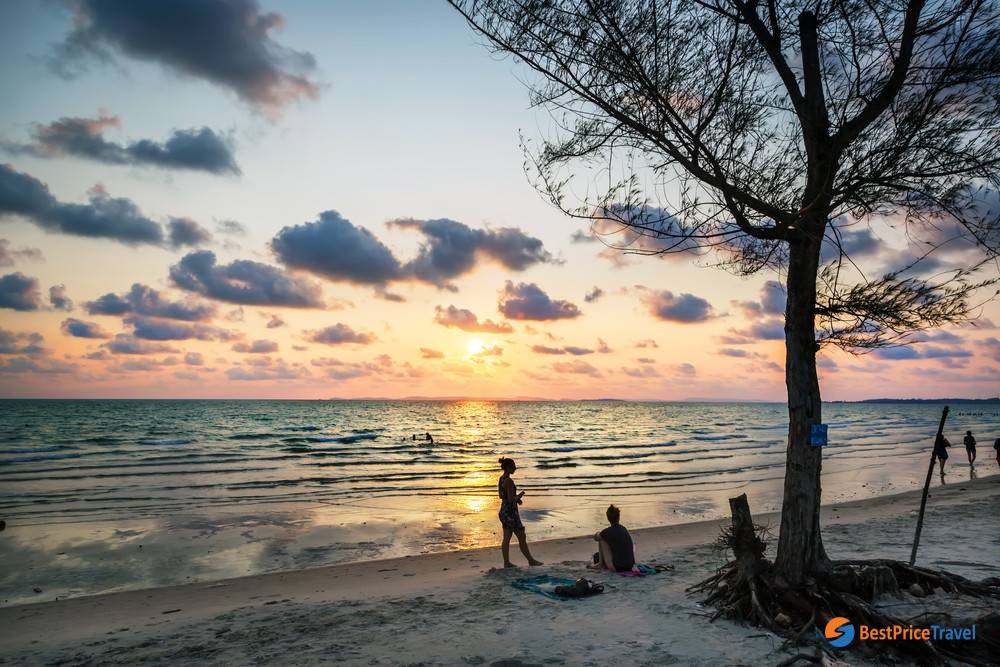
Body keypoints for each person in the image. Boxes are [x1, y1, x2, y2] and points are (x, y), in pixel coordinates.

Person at [497, 457, 542, 568]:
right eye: (513, 467)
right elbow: (511, 499)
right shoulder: (509, 481)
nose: (515, 469)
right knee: (521, 535)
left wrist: (516, 499)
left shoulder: (501, 479)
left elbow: (502, 496)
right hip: (511, 513)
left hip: (504, 512)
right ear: (507, 467)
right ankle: (531, 561)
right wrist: (519, 496)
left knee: (506, 538)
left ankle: (507, 563)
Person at [591, 504, 636, 573]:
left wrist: (598, 533)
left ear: (608, 518)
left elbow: (596, 538)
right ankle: (601, 563)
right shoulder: (623, 528)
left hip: (618, 567)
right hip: (630, 566)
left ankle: (600, 564)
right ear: (619, 517)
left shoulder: (608, 531)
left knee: (602, 539)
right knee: (607, 539)